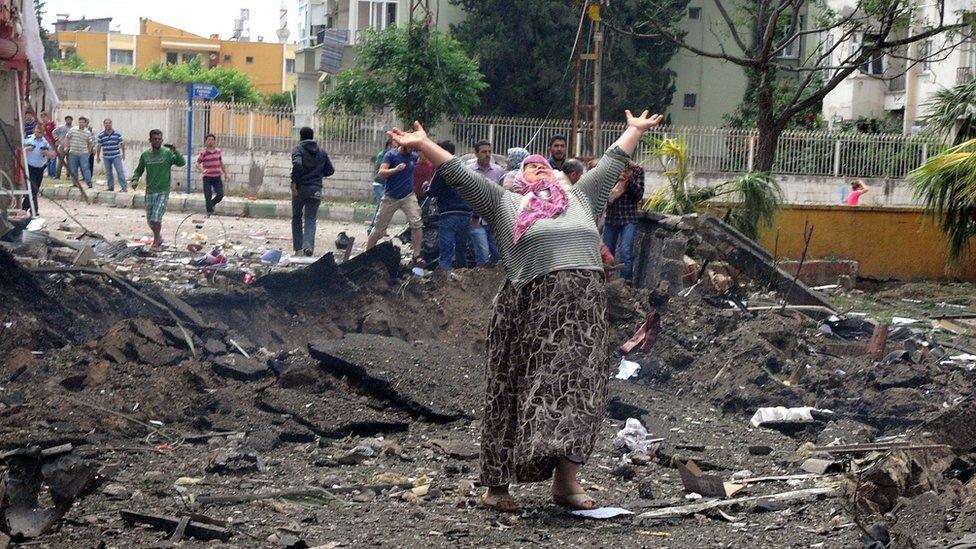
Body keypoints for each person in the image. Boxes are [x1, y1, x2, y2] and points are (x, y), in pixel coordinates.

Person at [389, 109, 663, 513]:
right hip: (530, 311)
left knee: (581, 394)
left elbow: (611, 161)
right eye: (531, 168)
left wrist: (634, 130)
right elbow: (460, 175)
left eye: (546, 168)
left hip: (584, 315)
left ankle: (566, 485)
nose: (541, 170)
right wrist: (424, 145)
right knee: (511, 390)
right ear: (518, 180)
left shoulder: (581, 197)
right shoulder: (504, 203)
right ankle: (496, 487)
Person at [366, 140, 424, 266]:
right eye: (409, 146)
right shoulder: (391, 155)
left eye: (412, 147)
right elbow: (381, 173)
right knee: (378, 230)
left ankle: (417, 255)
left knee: (416, 223)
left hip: (408, 195)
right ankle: (367, 254)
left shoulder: (414, 156)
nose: (410, 149)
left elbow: (426, 161)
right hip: (391, 197)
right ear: (402, 144)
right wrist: (395, 169)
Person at [130, 129, 186, 250]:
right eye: (154, 139)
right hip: (150, 190)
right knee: (150, 220)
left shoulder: (167, 153)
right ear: (150, 140)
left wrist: (175, 151)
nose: (157, 141)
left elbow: (181, 162)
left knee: (156, 217)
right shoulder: (146, 155)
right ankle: (158, 237)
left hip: (163, 191)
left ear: (162, 140)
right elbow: (139, 170)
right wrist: (135, 179)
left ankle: (155, 242)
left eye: (159, 139)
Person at [425, 140, 472, 271]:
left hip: (448, 213)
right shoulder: (465, 167)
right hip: (465, 213)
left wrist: (426, 188)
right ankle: (464, 281)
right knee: (461, 252)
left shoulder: (442, 168)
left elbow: (433, 191)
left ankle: (444, 283)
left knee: (446, 253)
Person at [290, 126, 335, 256]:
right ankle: (308, 246)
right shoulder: (321, 152)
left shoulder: (298, 149)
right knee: (310, 218)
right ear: (312, 136)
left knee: (297, 217)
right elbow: (330, 170)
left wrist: (294, 182)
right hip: (315, 189)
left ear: (300, 137)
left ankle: (298, 248)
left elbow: (297, 164)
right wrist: (317, 174)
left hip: (300, 188)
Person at [603, 161, 645, 281]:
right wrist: (616, 180)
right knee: (607, 254)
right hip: (611, 217)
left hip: (628, 217)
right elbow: (604, 192)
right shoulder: (610, 168)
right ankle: (605, 284)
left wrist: (630, 180)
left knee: (625, 252)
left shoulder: (637, 170)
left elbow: (639, 196)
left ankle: (626, 285)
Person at [468, 140, 505, 266]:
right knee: (483, 255)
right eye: (484, 152)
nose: (487, 154)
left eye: (489, 152)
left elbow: (503, 194)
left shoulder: (499, 171)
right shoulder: (469, 171)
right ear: (476, 153)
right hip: (476, 219)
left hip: (494, 220)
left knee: (497, 255)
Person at [22, 124, 56, 214]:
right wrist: (26, 149)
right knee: (33, 189)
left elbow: (53, 155)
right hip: (29, 168)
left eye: (42, 129)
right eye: (38, 129)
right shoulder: (28, 139)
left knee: (35, 189)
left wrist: (47, 153)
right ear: (34, 130)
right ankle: (34, 210)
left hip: (40, 169)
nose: (40, 131)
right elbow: (19, 150)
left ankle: (24, 208)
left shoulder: (46, 142)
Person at [197, 134, 229, 216]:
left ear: (214, 141)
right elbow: (197, 164)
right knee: (208, 196)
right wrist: (202, 170)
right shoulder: (203, 153)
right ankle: (209, 212)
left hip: (217, 177)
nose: (210, 141)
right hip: (207, 177)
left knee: (220, 195)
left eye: (212, 139)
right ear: (206, 142)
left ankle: (211, 205)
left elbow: (221, 163)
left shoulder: (218, 151)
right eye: (208, 140)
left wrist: (225, 174)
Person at [95, 118, 127, 192]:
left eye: (109, 123)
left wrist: (123, 154)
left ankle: (124, 187)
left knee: (120, 172)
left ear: (111, 124)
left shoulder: (117, 134)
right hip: (106, 157)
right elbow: (99, 146)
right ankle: (110, 187)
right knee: (108, 173)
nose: (107, 124)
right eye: (106, 123)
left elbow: (122, 144)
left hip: (116, 156)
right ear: (104, 124)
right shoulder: (101, 135)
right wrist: (97, 156)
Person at [63, 116, 94, 188]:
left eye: (83, 122)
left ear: (85, 123)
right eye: (80, 122)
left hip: (83, 153)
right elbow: (67, 137)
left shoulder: (87, 132)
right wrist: (66, 146)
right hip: (73, 152)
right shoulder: (73, 129)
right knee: (74, 169)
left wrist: (89, 152)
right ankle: (75, 183)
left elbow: (90, 143)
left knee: (85, 168)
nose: (81, 124)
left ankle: (89, 183)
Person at [369, 138, 393, 234]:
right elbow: (379, 170)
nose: (393, 148)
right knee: (382, 206)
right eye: (392, 146)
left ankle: (376, 228)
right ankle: (373, 228)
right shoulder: (382, 155)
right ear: (388, 146)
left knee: (382, 206)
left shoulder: (392, 156)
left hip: (385, 184)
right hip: (379, 184)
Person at [52, 115, 73, 180]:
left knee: (70, 162)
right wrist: (56, 138)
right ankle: (57, 176)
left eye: (70, 120)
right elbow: (53, 132)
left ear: (72, 121)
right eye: (67, 120)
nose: (68, 121)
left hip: (70, 147)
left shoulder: (73, 129)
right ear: (65, 120)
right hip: (61, 146)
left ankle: (68, 176)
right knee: (60, 162)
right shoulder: (61, 127)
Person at [40, 112, 57, 178]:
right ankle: (49, 173)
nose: (43, 119)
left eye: (44, 117)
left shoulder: (52, 123)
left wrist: (56, 141)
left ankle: (53, 174)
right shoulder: (43, 125)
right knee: (47, 159)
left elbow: (55, 132)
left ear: (47, 117)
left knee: (52, 158)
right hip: (45, 142)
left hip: (52, 142)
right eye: (42, 118)